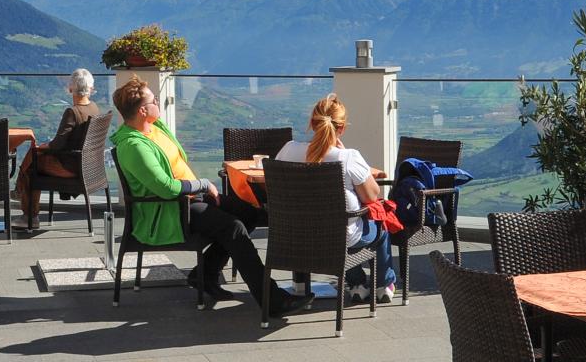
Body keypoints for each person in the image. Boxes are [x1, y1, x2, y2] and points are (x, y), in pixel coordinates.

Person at [109, 75, 310, 316]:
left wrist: (199, 189)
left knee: (249, 213)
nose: (158, 103)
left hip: (190, 198)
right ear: (143, 111)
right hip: (169, 209)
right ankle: (272, 300)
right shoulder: (134, 146)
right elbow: (165, 188)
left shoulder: (154, 127)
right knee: (233, 228)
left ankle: (205, 274)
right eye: (154, 101)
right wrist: (202, 184)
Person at [275, 95, 396, 305]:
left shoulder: (288, 150)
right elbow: (372, 195)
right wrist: (344, 152)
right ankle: (382, 285)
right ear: (342, 128)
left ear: (312, 123)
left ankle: (358, 285)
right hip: (339, 239)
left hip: (295, 237)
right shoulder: (347, 157)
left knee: (346, 229)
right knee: (379, 229)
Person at [16, 68, 105, 229]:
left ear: (70, 89)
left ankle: (29, 214)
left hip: (70, 166)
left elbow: (58, 145)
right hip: (89, 166)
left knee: (32, 164)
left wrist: (43, 147)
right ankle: (19, 189)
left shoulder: (72, 112)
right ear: (91, 88)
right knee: (35, 154)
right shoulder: (94, 108)